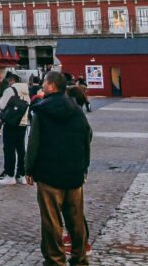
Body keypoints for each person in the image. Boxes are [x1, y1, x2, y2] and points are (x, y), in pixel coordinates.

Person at [25, 71, 92, 266]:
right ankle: (79, 258)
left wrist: (29, 168)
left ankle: (55, 260)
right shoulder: (77, 110)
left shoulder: (41, 111)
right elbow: (87, 137)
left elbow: (34, 142)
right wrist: (84, 165)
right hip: (74, 173)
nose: (42, 85)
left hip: (49, 174)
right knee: (76, 219)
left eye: (45, 82)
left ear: (52, 86)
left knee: (51, 222)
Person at [0, 73, 30, 185]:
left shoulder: (10, 90)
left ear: (12, 80)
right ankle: (22, 175)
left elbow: (1, 105)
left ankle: (10, 175)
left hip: (11, 123)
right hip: (23, 123)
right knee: (21, 149)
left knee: (9, 149)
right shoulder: (26, 90)